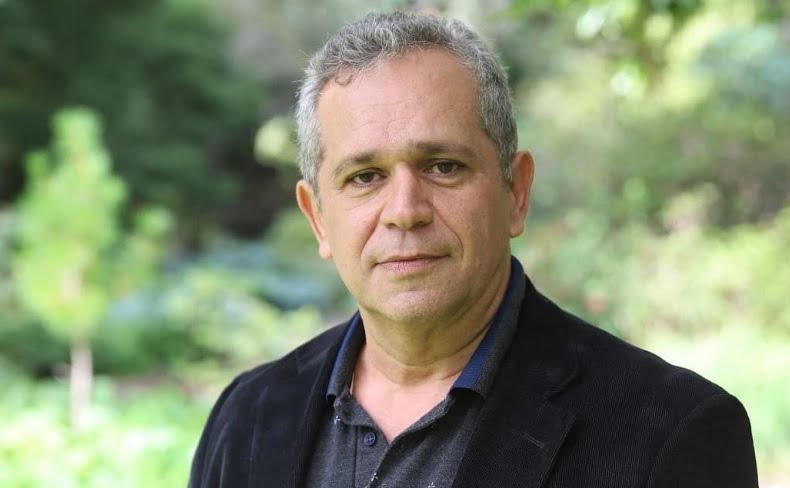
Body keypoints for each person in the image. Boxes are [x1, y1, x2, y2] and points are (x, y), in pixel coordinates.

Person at [189, 12, 758, 488]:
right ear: (317, 217)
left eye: (443, 166)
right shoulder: (247, 416)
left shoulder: (670, 433)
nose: (405, 210)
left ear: (517, 193)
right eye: (365, 177)